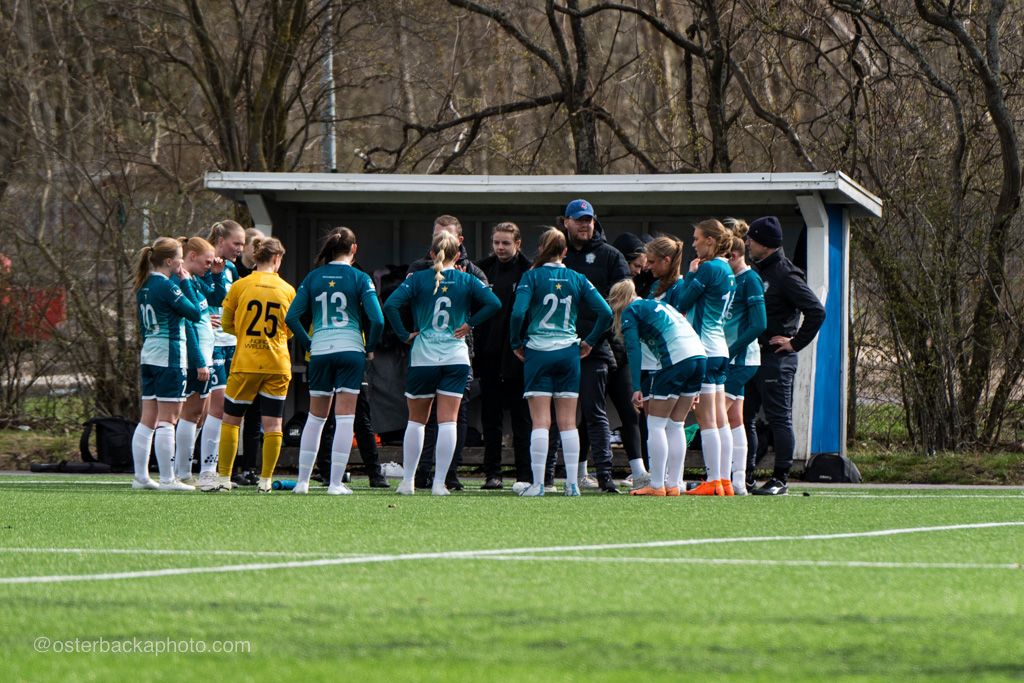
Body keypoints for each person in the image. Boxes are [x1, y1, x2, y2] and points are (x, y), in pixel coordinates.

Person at [383, 230, 501, 495]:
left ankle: (408, 482)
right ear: (458, 255)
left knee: (417, 421)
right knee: (448, 421)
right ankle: (439, 484)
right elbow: (494, 303)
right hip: (456, 358)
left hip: (424, 356)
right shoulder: (467, 279)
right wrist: (470, 324)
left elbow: (390, 305)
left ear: (432, 254)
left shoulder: (417, 279)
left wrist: (404, 335)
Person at [509, 227, 613, 497]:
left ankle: (539, 484)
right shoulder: (577, 277)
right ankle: (572, 485)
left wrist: (515, 342)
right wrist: (589, 341)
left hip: (538, 353)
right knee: (568, 422)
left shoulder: (530, 276)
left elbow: (518, 312)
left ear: (541, 250)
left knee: (541, 422)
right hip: (569, 351)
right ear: (565, 251)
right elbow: (606, 312)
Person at [285, 227, 384, 495]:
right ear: (354, 249)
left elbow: (291, 318)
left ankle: (303, 483)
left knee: (315, 419)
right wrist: (369, 347)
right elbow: (377, 319)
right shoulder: (361, 278)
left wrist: (310, 344)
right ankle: (335, 484)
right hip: (351, 350)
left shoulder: (313, 277)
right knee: (344, 420)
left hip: (320, 351)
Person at [645, 227, 737, 496]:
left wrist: (693, 273)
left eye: (697, 239)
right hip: (719, 347)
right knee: (721, 419)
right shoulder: (728, 269)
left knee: (706, 419)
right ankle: (725, 481)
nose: (694, 244)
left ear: (710, 240)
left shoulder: (708, 269)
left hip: (704, 348)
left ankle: (713, 480)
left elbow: (683, 302)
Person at [200, 237, 295, 493]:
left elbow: (227, 323)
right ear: (276, 259)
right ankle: (265, 481)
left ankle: (222, 480)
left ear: (255, 258)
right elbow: (290, 329)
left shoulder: (240, 286)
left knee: (231, 421)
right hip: (277, 362)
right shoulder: (287, 289)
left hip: (245, 361)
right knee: (273, 424)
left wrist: (246, 335)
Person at [405, 215, 489, 491]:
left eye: (446, 235)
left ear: (459, 241)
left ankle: (448, 475)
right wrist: (407, 332)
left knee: (454, 416)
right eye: (436, 234)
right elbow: (399, 305)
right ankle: (422, 475)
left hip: (451, 351)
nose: (440, 240)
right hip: (435, 350)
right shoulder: (419, 269)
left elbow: (488, 305)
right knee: (431, 418)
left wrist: (469, 324)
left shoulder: (472, 272)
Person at [744, 216, 825, 495]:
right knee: (744, 417)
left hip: (776, 359)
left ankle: (781, 479)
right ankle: (747, 476)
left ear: (765, 244)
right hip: (753, 357)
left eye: (751, 239)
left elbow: (816, 311)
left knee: (779, 419)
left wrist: (795, 342)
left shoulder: (785, 274)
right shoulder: (758, 271)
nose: (747, 243)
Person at [606, 279, 706, 495]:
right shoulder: (657, 305)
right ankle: (674, 484)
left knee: (656, 425)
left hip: (677, 360)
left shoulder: (632, 311)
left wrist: (635, 387)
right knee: (676, 425)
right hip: (699, 356)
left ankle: (657, 484)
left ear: (618, 300)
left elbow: (633, 348)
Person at [560, 199, 631, 493]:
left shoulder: (611, 256)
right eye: (578, 219)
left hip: (597, 347)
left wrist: (591, 339)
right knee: (556, 415)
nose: (585, 224)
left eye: (588, 219)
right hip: (560, 346)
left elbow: (622, 300)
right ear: (566, 222)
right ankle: (551, 477)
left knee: (594, 412)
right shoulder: (556, 254)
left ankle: (604, 477)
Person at [130, 237, 203, 491]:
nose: (183, 261)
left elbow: (142, 326)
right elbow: (195, 313)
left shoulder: (143, 285)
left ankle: (140, 477)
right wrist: (185, 283)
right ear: (170, 261)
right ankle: (167, 479)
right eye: (180, 257)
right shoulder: (167, 286)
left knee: (147, 419)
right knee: (168, 420)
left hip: (149, 353)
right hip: (169, 356)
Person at [474, 222, 533, 490]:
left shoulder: (530, 270)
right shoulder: (482, 269)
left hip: (518, 356)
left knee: (522, 420)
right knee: (491, 418)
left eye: (506, 243)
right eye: (496, 242)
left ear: (518, 243)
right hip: (488, 354)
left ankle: (525, 475)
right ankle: (492, 474)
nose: (500, 247)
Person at [196, 220, 246, 488]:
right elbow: (199, 298)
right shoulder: (206, 267)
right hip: (211, 345)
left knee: (221, 409)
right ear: (220, 240)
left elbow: (238, 300)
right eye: (236, 243)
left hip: (231, 344)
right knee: (211, 410)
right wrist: (205, 316)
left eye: (242, 244)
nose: (240, 248)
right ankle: (204, 471)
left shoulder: (231, 269)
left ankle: (209, 470)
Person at [722, 221, 766, 496]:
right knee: (734, 419)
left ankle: (719, 478)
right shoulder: (732, 280)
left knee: (711, 416)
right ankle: (737, 481)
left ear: (734, 256)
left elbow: (759, 324)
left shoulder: (750, 279)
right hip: (734, 358)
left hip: (740, 359)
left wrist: (732, 350)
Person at [172, 236, 218, 485]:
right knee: (191, 414)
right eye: (206, 262)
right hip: (195, 357)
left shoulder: (196, 282)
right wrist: (199, 360)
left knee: (202, 413)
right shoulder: (181, 281)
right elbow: (188, 321)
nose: (209, 267)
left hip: (206, 354)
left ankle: (185, 470)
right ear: (191, 257)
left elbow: (200, 312)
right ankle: (183, 473)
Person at [233, 227, 266, 485]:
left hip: (253, 352)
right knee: (237, 413)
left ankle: (248, 468)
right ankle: (234, 468)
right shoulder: (233, 274)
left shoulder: (264, 278)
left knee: (253, 415)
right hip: (242, 350)